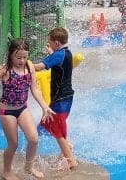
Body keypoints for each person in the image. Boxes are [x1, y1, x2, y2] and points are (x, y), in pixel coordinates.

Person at [0, 38, 53, 180]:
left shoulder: (29, 66)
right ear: (11, 55)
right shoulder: (5, 69)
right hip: (7, 111)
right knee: (13, 144)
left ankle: (29, 166)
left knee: (33, 139)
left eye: (25, 57)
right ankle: (7, 171)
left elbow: (34, 89)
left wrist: (44, 106)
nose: (22, 60)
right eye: (18, 57)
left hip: (22, 109)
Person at [32, 27, 77, 172]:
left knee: (57, 131)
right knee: (46, 125)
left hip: (60, 100)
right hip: (67, 98)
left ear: (57, 42)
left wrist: (22, 64)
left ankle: (70, 161)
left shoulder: (58, 55)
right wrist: (51, 54)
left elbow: (39, 67)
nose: (48, 43)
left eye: (50, 41)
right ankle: (66, 147)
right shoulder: (66, 53)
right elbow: (58, 61)